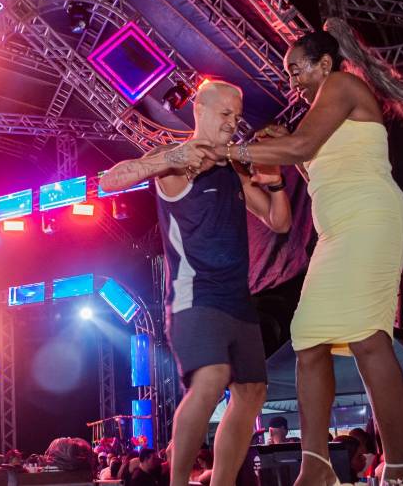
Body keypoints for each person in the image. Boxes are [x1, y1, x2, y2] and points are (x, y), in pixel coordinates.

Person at [213, 18, 403, 486]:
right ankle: (316, 465)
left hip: (370, 218)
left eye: (297, 70)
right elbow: (311, 168)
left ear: (325, 64)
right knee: (308, 340)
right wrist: (272, 156)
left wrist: (232, 152)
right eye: (288, 74)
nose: (292, 81)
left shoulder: (341, 86)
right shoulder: (319, 112)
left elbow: (302, 146)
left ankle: (401, 467)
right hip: (338, 230)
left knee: (368, 338)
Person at [100, 80, 292, 486]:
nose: (232, 123)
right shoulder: (173, 161)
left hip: (239, 301)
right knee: (211, 378)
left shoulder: (232, 167)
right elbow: (109, 181)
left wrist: (275, 182)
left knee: (253, 391)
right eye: (225, 114)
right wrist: (172, 156)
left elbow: (278, 222)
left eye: (237, 116)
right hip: (195, 298)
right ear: (199, 110)